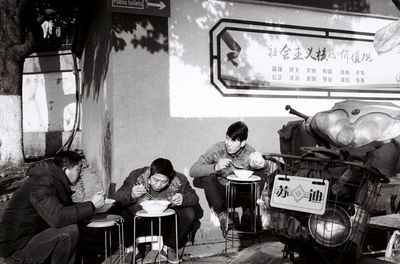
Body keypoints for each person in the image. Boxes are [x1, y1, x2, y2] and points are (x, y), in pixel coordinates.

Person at [0, 150, 106, 264]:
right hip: (16, 252)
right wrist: (91, 205)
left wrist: (89, 206)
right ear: (66, 170)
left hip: (29, 239)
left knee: (75, 222)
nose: (80, 175)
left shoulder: (52, 178)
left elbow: (62, 209)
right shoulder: (42, 183)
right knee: (69, 231)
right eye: (78, 170)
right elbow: (58, 218)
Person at [113, 158, 201, 264]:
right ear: (149, 175)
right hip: (139, 223)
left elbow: (194, 198)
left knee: (189, 213)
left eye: (164, 182)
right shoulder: (137, 176)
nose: (159, 185)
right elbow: (116, 199)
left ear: (170, 179)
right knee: (120, 212)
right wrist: (131, 194)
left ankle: (169, 247)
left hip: (166, 224)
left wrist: (183, 199)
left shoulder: (179, 180)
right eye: (156, 180)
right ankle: (132, 249)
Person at [189, 121, 266, 235]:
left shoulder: (250, 152)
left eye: (233, 140)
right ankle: (222, 215)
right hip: (222, 195)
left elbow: (264, 170)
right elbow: (193, 170)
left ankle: (249, 213)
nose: (227, 143)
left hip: (243, 194)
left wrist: (261, 164)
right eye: (227, 138)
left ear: (242, 143)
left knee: (261, 174)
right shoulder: (217, 150)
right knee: (208, 177)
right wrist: (215, 167)